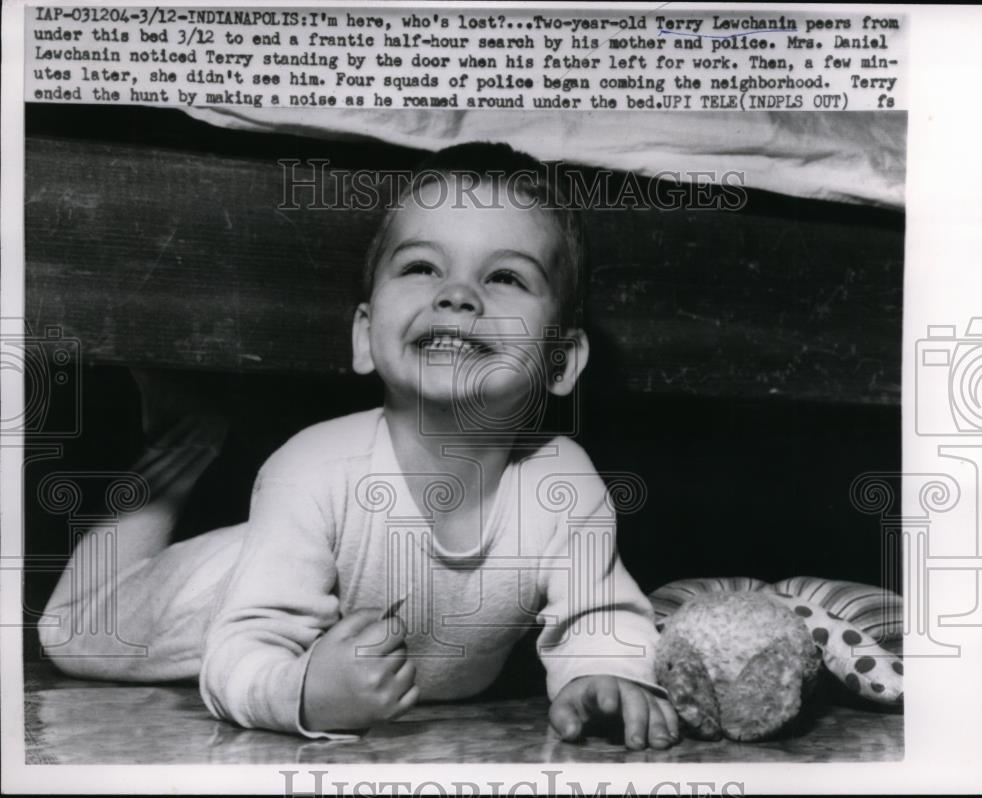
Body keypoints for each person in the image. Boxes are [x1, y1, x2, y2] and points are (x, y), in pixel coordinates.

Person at [40, 142, 679, 750]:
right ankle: (181, 444)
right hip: (225, 588)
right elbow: (241, 648)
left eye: (506, 276)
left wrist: (606, 673)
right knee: (71, 629)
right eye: (422, 267)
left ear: (562, 360)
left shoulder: (562, 482)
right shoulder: (311, 468)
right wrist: (301, 692)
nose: (457, 293)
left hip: (310, 556)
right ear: (365, 335)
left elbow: (602, 615)